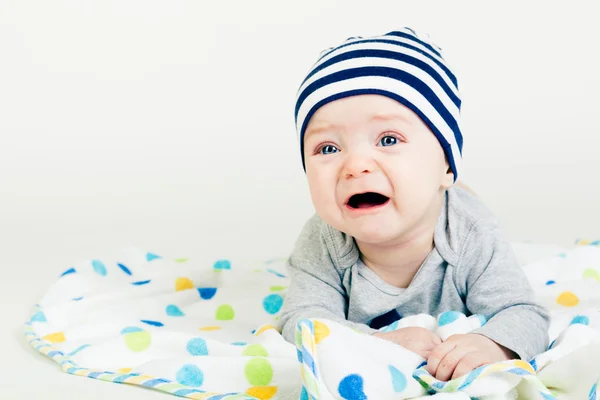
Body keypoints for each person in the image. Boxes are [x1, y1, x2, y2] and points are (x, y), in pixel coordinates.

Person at [278, 28, 549, 381]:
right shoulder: (324, 238)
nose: (356, 165)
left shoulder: (471, 236)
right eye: (328, 148)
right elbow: (302, 320)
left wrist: (492, 344)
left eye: (388, 139)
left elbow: (524, 313)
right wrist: (376, 342)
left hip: (455, 208)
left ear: (448, 166)